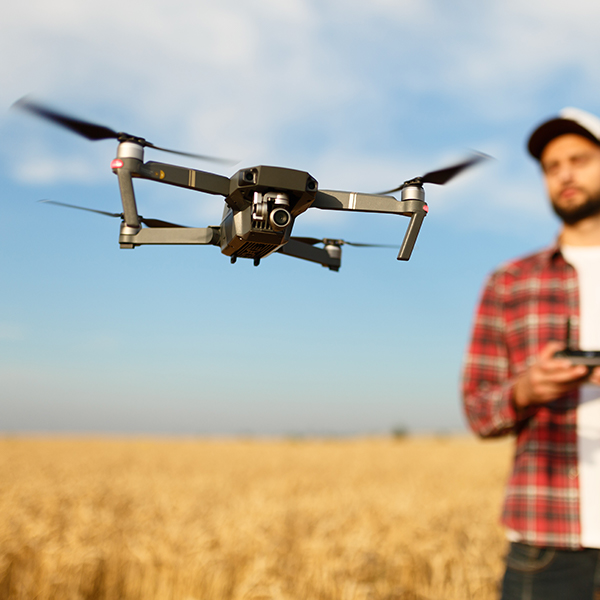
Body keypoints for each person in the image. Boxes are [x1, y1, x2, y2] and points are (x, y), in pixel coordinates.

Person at [462, 107, 600, 600]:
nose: (563, 173)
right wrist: (524, 389)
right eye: (550, 165)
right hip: (546, 540)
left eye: (579, 159)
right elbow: (478, 409)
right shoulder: (510, 281)